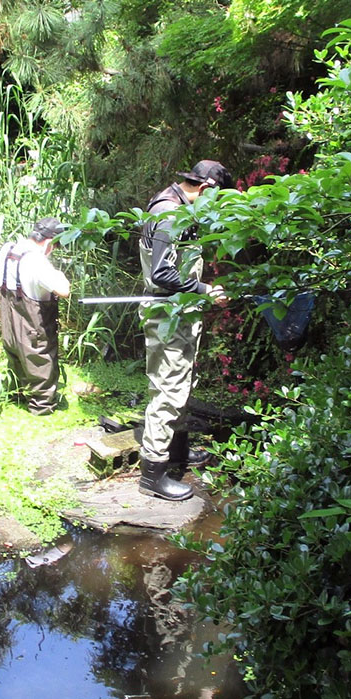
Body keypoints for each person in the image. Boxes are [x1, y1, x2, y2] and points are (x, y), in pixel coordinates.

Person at [137, 159, 230, 501]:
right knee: (168, 390)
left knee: (180, 384)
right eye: (216, 197)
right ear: (205, 188)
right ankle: (153, 474)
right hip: (167, 314)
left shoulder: (178, 207)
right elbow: (162, 274)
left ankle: (177, 453)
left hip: (180, 312)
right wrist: (205, 290)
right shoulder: (169, 214)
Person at [0, 217, 71, 415]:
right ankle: (42, 407)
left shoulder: (8, 249)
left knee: (16, 355)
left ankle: (17, 396)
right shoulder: (37, 260)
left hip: (9, 317)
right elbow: (64, 290)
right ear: (48, 242)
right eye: (54, 246)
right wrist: (61, 275)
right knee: (39, 358)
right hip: (32, 321)